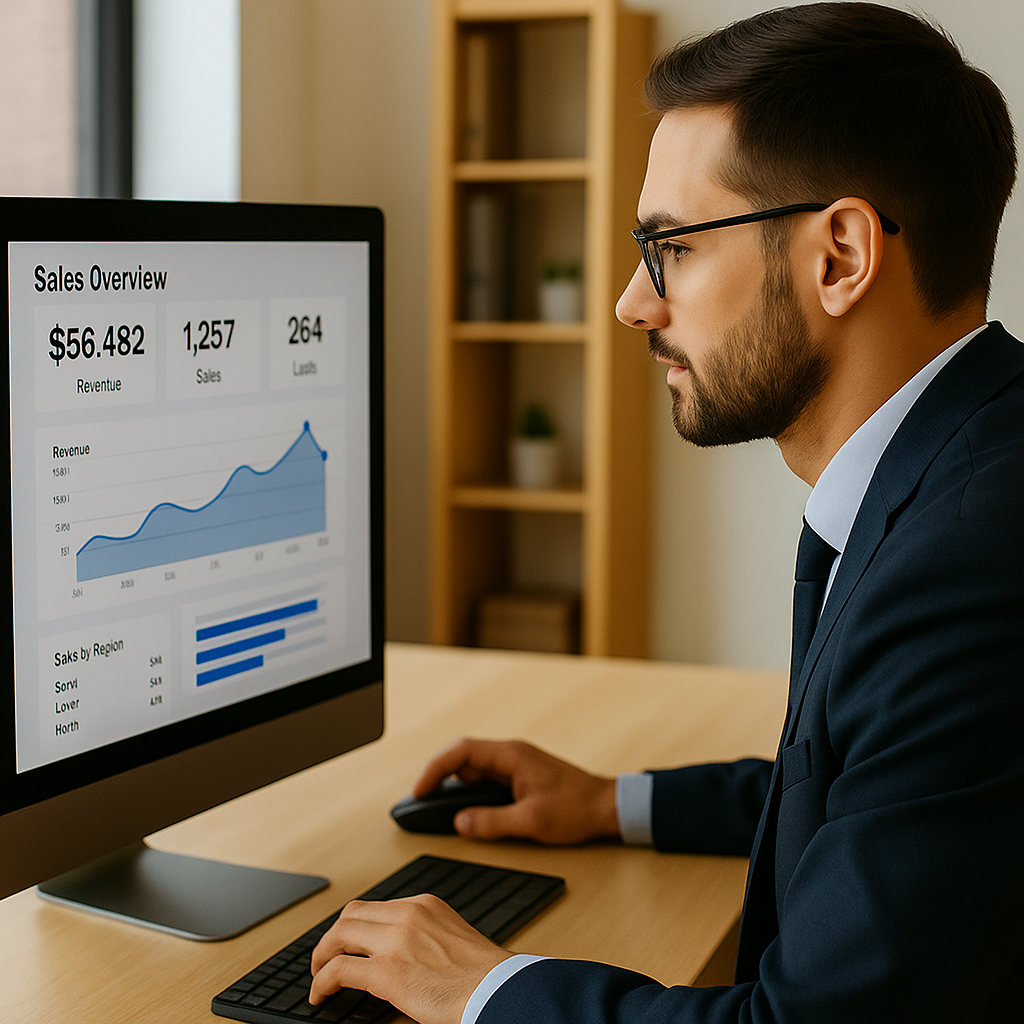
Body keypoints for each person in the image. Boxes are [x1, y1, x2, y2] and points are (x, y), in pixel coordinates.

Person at [310, 4, 1024, 1022]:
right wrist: (608, 802)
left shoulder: (969, 559)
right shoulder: (967, 456)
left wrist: (482, 989)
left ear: (840, 256)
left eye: (671, 247)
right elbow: (881, 793)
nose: (631, 304)